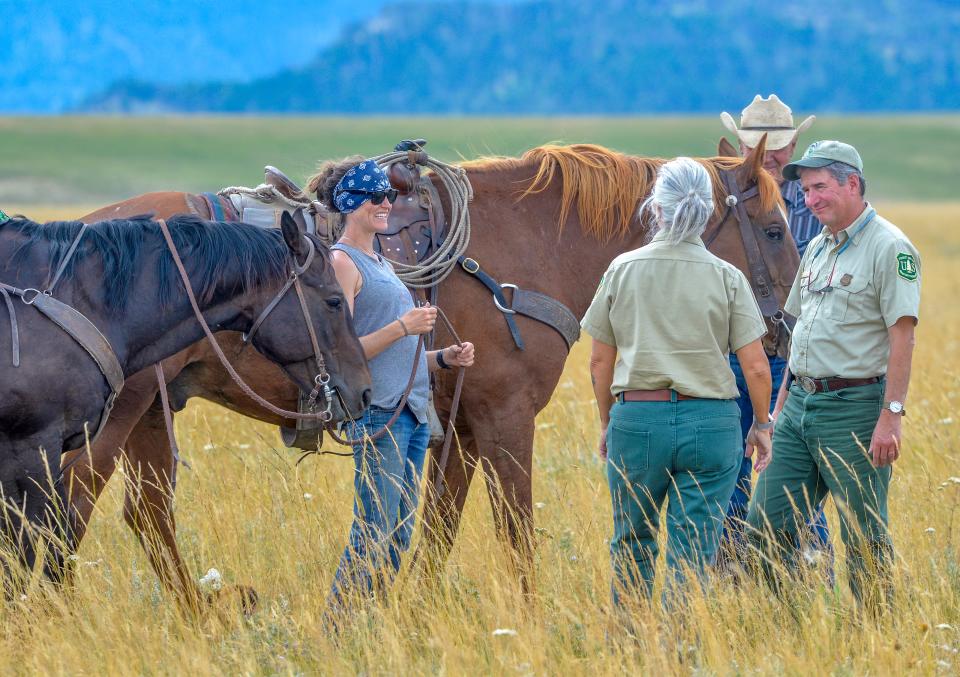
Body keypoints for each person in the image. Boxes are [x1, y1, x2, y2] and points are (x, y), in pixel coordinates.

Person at [582, 157, 774, 608]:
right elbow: (757, 367)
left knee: (632, 542)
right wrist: (761, 425)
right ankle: (682, 646)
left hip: (638, 419)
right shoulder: (727, 276)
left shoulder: (622, 269)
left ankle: (630, 646)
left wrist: (610, 422)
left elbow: (597, 362)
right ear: (708, 212)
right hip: (712, 424)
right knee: (693, 550)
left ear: (658, 208)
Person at [746, 141, 921, 608]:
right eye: (804, 190)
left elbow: (902, 337)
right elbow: (800, 334)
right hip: (799, 406)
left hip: (855, 410)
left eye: (820, 187)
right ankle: (794, 625)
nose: (810, 199)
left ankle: (875, 636)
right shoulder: (819, 248)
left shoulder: (890, 247)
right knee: (765, 528)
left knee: (863, 534)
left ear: (852, 183)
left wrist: (892, 416)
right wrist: (779, 409)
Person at [312, 157, 476, 616]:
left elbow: (393, 354)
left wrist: (442, 358)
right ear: (351, 204)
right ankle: (339, 629)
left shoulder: (380, 261)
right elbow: (341, 353)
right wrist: (404, 327)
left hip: (411, 413)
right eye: (375, 197)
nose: (386, 204)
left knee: (399, 532)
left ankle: (370, 623)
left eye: (388, 196)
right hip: (380, 414)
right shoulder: (342, 262)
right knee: (375, 528)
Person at [719, 94, 831, 562]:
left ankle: (809, 560)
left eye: (781, 144)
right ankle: (732, 564)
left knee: (795, 462)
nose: (770, 152)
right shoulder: (719, 200)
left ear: (794, 147)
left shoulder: (813, 201)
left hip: (792, 352)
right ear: (739, 146)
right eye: (758, 143)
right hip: (732, 352)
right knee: (730, 465)